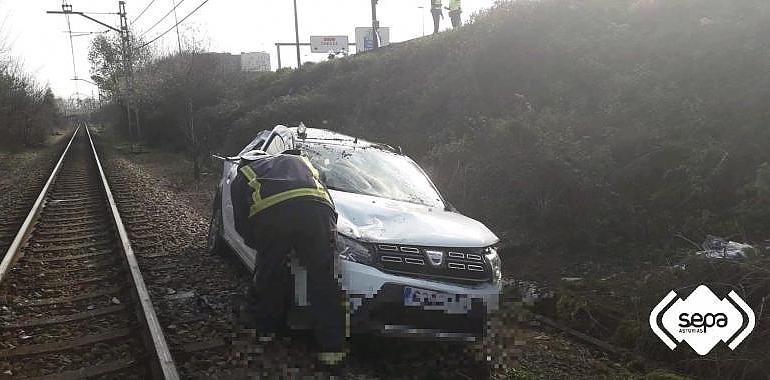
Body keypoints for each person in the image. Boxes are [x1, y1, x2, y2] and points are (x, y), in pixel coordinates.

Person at [234, 149, 346, 371]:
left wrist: (264, 248)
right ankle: (332, 351)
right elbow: (327, 199)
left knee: (270, 274)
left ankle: (266, 330)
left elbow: (242, 223)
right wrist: (326, 236)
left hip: (275, 215)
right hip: (318, 214)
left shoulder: (243, 172)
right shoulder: (301, 162)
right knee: (324, 280)